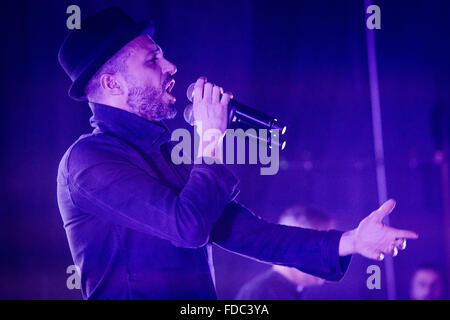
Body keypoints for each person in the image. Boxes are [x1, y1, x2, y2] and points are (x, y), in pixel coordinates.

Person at [57, 7, 418, 299]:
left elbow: (249, 234)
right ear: (112, 83)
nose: (171, 67)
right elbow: (188, 225)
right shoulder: (87, 162)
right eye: (152, 60)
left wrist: (352, 240)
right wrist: (211, 138)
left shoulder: (165, 156)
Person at [236, 206, 336, 300]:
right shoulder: (258, 295)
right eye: (319, 247)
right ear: (292, 246)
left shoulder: (293, 291)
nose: (331, 256)